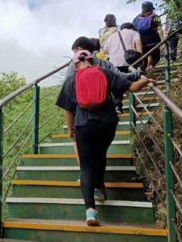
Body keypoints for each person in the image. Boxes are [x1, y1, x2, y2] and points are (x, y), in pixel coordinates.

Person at [56, 50, 157, 226]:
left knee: (86, 166)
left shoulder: (71, 79)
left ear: (75, 65)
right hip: (107, 123)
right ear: (92, 60)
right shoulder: (105, 72)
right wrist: (146, 80)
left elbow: (68, 109)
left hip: (83, 125)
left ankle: (90, 211)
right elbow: (132, 87)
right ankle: (99, 188)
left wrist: (71, 129)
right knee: (100, 154)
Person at [65, 36, 142, 114]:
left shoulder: (73, 66)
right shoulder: (104, 64)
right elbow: (120, 77)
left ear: (79, 49)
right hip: (106, 111)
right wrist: (136, 74)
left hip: (82, 112)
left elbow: (67, 87)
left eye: (74, 52)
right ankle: (117, 106)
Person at [133, 2, 163, 70]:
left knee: (144, 60)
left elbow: (134, 31)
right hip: (154, 42)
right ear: (151, 9)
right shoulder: (156, 17)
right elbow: (159, 29)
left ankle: (143, 72)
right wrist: (162, 41)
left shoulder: (136, 18)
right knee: (156, 58)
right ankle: (151, 67)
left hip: (142, 43)